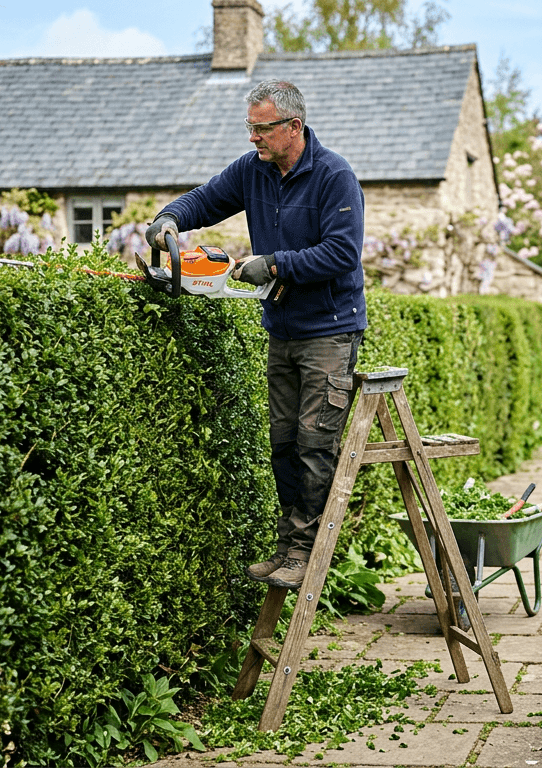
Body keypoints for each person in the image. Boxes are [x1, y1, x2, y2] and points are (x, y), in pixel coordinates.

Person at [145, 80, 366, 590]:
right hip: (283, 328)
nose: (253, 138)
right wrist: (170, 218)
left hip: (331, 331)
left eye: (262, 128)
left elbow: (341, 254)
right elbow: (206, 198)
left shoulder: (334, 176)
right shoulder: (254, 172)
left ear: (293, 126)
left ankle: (308, 551)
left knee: (315, 443)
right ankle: (289, 544)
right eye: (250, 127)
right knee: (283, 443)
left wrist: (273, 265)